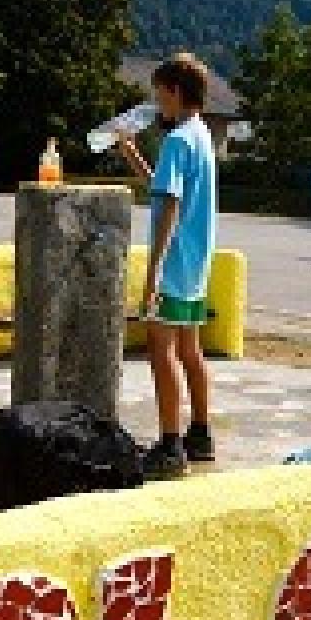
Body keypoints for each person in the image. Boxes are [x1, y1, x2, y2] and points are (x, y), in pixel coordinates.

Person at [116, 53, 220, 481]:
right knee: (190, 350)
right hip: (195, 266)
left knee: (162, 353)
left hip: (174, 265)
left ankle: (170, 444)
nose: (157, 104)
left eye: (160, 95)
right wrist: (133, 157)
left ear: (175, 92)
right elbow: (164, 186)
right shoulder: (200, 135)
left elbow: (171, 205)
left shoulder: (178, 139)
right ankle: (199, 433)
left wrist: (154, 271)